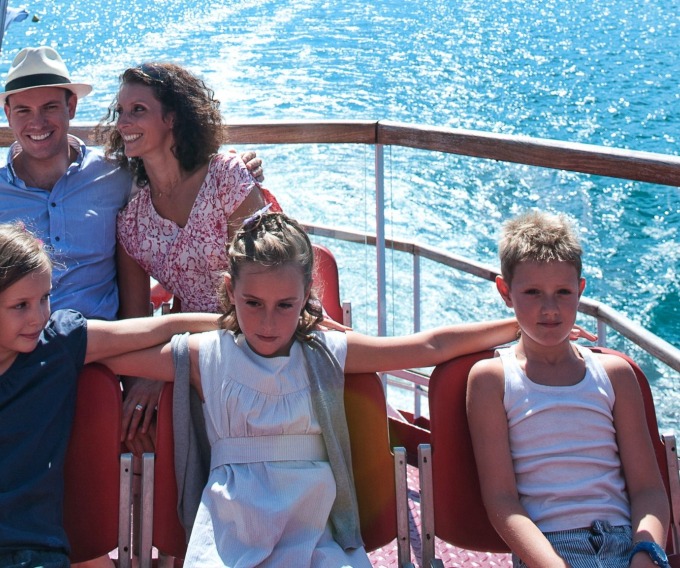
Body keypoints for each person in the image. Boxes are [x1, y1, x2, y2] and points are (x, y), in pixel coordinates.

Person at [101, 211, 528, 567]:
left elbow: (426, 346)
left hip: (315, 540)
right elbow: (110, 354)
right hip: (230, 543)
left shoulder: (325, 353)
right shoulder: (207, 354)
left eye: (285, 305)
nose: (268, 323)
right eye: (252, 304)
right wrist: (192, 322)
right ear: (230, 293)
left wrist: (520, 324)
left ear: (307, 297)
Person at [0, 223, 220, 568]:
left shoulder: (58, 346)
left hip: (31, 554)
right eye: (21, 306)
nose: (38, 317)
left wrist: (229, 323)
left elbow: (153, 330)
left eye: (44, 299)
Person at [0, 47, 262, 353]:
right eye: (22, 111)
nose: (37, 122)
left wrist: (232, 169)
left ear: (72, 107)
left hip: (101, 356)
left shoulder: (117, 179)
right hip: (12, 359)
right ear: (7, 115)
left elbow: (181, 180)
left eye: (50, 107)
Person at [467, 210, 670, 568]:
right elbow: (501, 501)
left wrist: (646, 553)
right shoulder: (491, 381)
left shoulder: (615, 374)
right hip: (549, 550)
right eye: (532, 292)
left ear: (580, 290)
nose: (550, 309)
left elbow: (649, 490)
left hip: (627, 543)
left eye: (562, 292)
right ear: (505, 292)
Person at [96, 62, 267, 447]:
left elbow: (265, 284)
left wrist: (169, 366)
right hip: (191, 348)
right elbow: (136, 324)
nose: (123, 122)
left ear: (172, 117)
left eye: (138, 110)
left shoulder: (226, 176)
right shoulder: (132, 224)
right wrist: (149, 377)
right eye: (120, 112)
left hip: (259, 332)